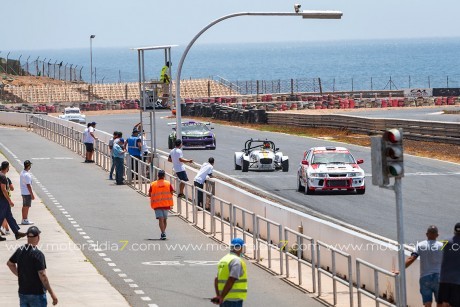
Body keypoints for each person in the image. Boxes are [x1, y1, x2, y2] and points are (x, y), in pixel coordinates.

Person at [7, 226, 58, 306]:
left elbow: (10, 264)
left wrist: (19, 274)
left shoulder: (20, 250)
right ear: (38, 237)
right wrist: (52, 293)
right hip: (37, 294)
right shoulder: (38, 254)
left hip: (23, 292)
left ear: (27, 238)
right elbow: (43, 275)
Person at [404, 225, 443, 307]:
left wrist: (401, 269)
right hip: (439, 278)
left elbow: (412, 258)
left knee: (427, 303)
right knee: (440, 303)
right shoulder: (442, 245)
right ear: (437, 235)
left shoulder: (420, 245)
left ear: (426, 234)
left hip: (425, 278)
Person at [212, 238, 248, 306]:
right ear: (239, 248)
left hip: (224, 300)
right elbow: (231, 279)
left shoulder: (223, 259)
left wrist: (219, 296)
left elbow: (216, 279)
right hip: (233, 301)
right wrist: (221, 297)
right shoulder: (236, 261)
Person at [0, 161, 26, 241]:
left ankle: (16, 233)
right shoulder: (3, 177)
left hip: (3, 200)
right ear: (7, 168)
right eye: (9, 167)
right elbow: (4, 190)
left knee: (9, 216)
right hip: (3, 199)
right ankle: (16, 233)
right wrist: (9, 200)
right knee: (1, 217)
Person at [438, 222, 460, 307]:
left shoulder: (446, 241)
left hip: (444, 278)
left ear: (454, 231)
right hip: (458, 281)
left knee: (441, 303)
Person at [148, 169, 174, 240]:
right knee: (164, 219)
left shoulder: (153, 184)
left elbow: (149, 194)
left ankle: (163, 232)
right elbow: (172, 192)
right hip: (166, 204)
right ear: (164, 176)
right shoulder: (168, 183)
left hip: (157, 205)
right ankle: (163, 232)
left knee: (161, 219)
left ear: (158, 176)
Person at [20, 160, 35, 225]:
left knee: (24, 206)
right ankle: (25, 219)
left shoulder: (22, 172)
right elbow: (28, 185)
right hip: (27, 193)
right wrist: (32, 194)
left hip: (23, 192)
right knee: (26, 206)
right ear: (28, 166)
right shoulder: (27, 175)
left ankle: (24, 219)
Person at [1, 162, 14, 235]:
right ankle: (2, 228)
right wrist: (10, 200)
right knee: (6, 215)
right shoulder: (6, 178)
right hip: (6, 198)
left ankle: (7, 230)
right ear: (7, 168)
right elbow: (12, 188)